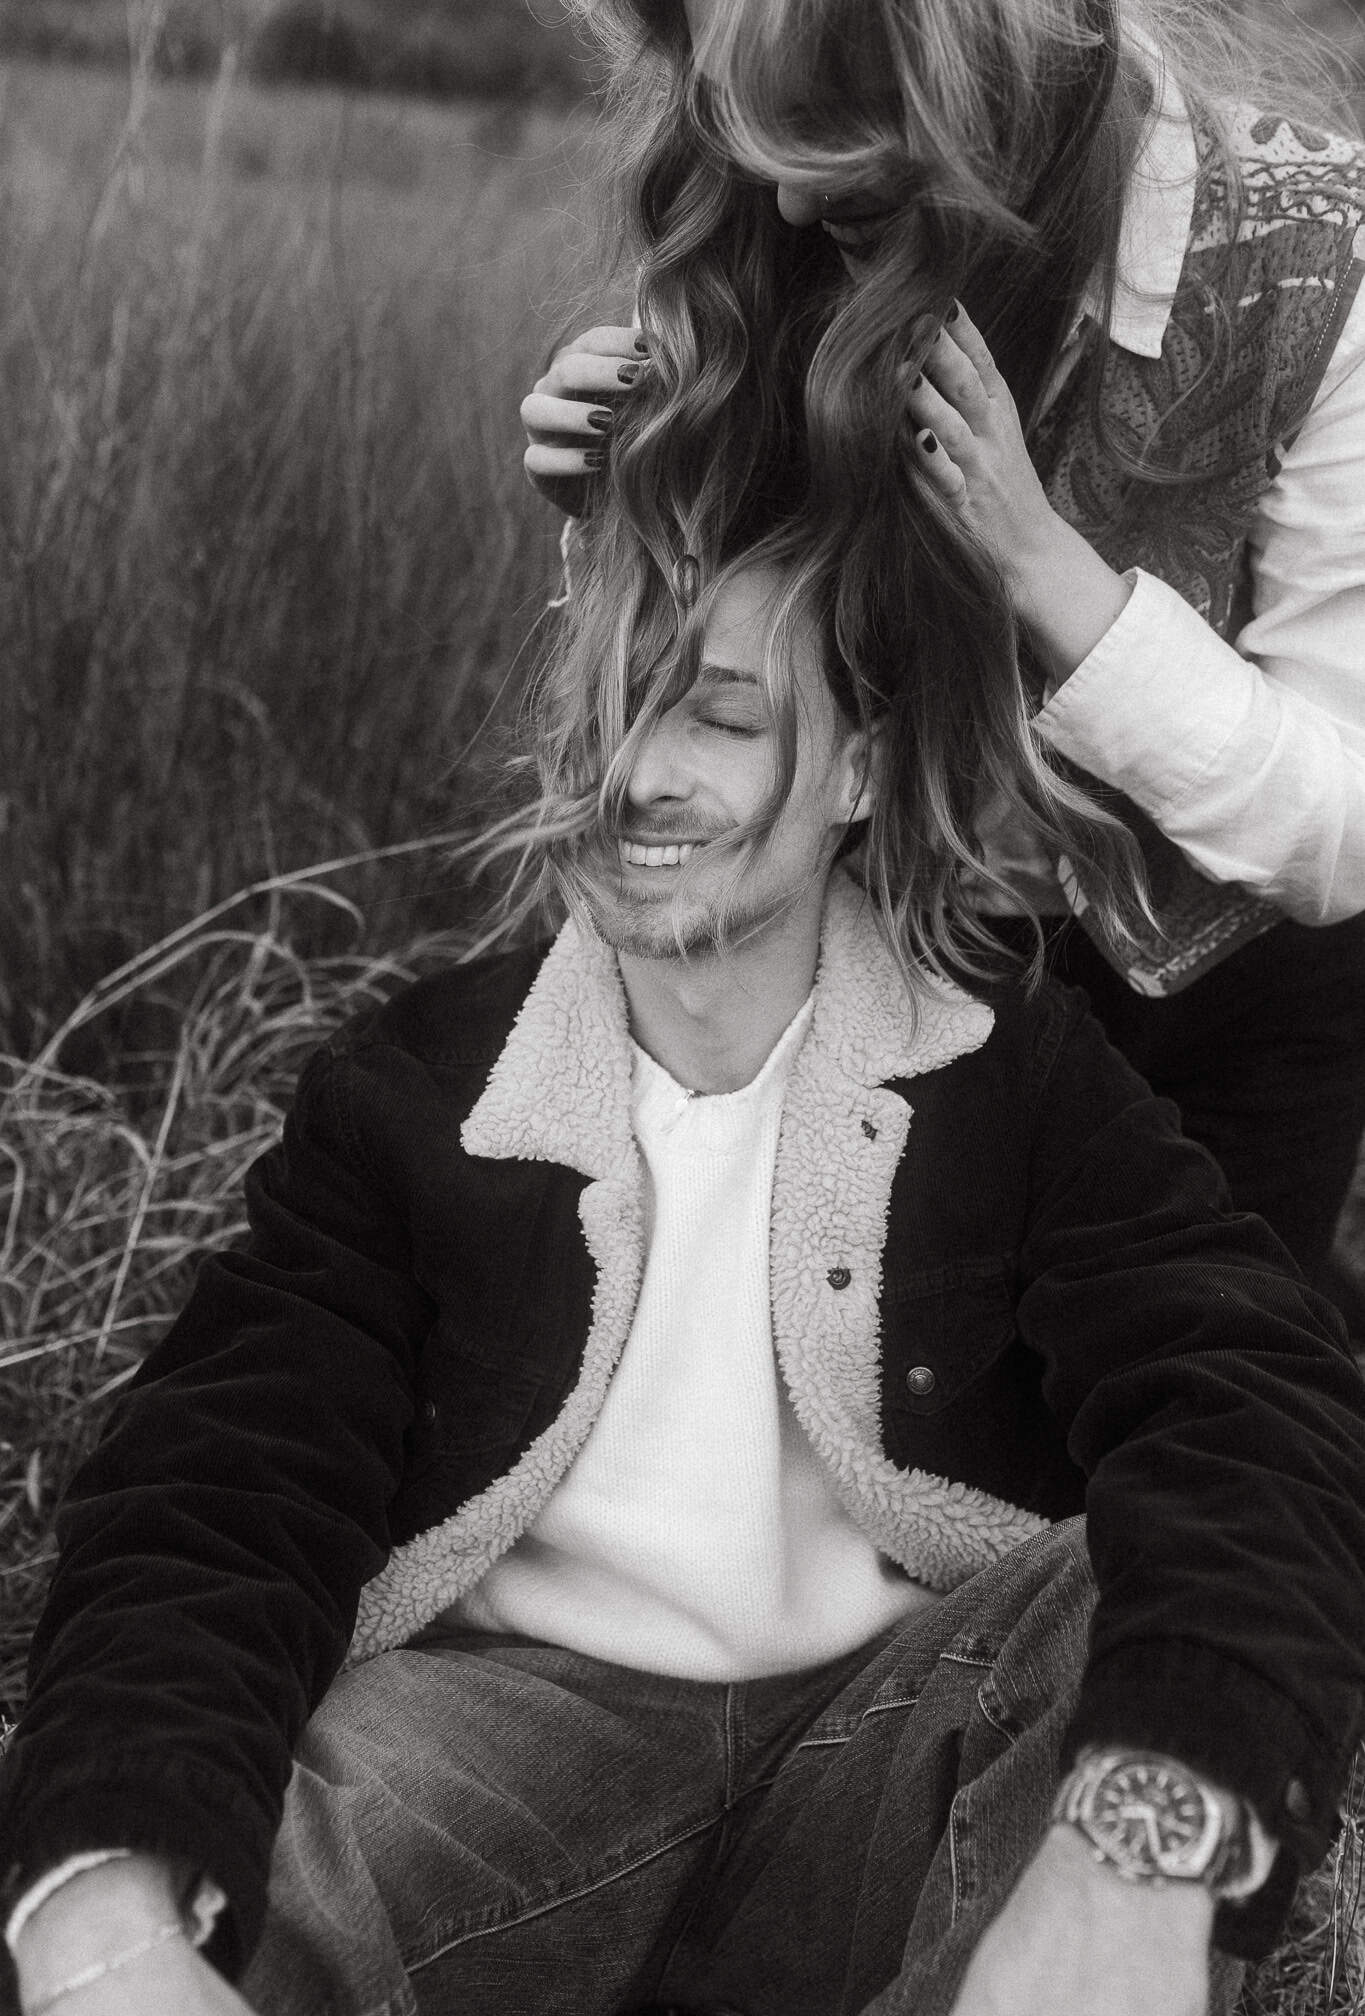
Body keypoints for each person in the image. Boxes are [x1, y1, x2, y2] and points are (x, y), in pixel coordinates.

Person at [2, 493, 1364, 2016]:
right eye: (607, 707)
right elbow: (216, 1493)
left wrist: (1135, 1866)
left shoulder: (1014, 1072)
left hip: (890, 1737)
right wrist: (103, 1934)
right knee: (131, 1895)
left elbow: (1249, 1407)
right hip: (500, 1744)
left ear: (858, 768)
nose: (637, 773)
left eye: (719, 715)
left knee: (1129, 1618)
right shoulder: (417, 1090)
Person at [521, 0, 1365, 1283]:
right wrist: (624, 525)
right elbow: (714, 707)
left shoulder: (1320, 248)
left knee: (1206, 1384)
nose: (792, 201)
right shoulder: (764, 201)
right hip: (866, 966)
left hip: (1227, 1031)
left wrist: (1042, 568)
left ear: (987, 70)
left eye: (838, 122)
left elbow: (1341, 828)